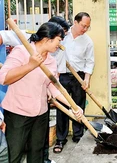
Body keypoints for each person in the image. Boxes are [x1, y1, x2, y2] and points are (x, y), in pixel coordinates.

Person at [0, 22, 83, 163]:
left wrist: (73, 106)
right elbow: (4, 78)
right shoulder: (22, 51)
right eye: (59, 40)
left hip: (40, 115)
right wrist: (30, 65)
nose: (60, 44)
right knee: (14, 154)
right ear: (47, 39)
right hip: (18, 114)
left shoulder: (51, 61)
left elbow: (54, 88)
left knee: (37, 154)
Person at [53, 12, 94, 153]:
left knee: (78, 107)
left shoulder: (87, 41)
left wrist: (86, 79)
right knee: (62, 107)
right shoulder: (62, 35)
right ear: (75, 22)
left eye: (87, 27)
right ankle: (60, 139)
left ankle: (78, 136)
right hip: (62, 75)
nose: (85, 29)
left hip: (79, 77)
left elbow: (90, 61)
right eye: (83, 25)